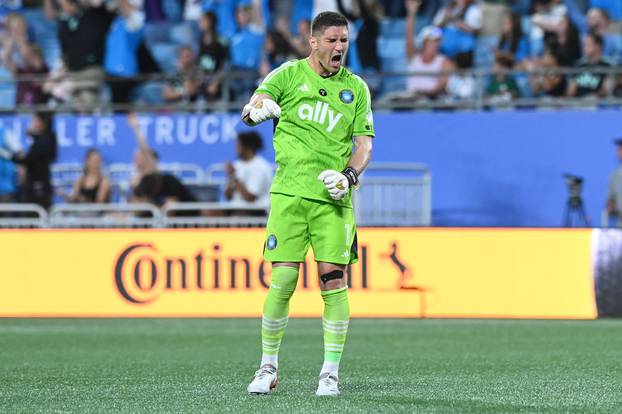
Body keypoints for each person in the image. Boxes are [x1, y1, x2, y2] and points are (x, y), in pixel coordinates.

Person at [242, 11, 374, 396]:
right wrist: (257, 110)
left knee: (333, 280)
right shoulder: (286, 74)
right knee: (282, 279)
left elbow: (364, 144)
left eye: (344, 41)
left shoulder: (357, 88)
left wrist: (348, 178)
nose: (339, 48)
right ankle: (268, 368)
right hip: (289, 193)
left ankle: (329, 373)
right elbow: (255, 106)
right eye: (332, 40)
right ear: (313, 42)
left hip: (333, 199)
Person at [44, 0, 115, 110]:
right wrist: (58, 73)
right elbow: (53, 15)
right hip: (72, 71)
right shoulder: (67, 22)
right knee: (78, 105)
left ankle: (64, 89)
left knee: (82, 100)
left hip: (92, 70)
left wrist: (67, 85)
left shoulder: (98, 15)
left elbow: (97, 4)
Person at [0, 111, 57, 209]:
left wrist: (7, 155)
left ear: (42, 123)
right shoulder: (43, 140)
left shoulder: (43, 142)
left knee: (36, 215)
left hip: (38, 187)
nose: (32, 123)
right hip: (36, 186)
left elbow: (27, 160)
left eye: (35, 120)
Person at [400, 0, 451, 100]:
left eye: (437, 41)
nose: (434, 44)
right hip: (412, 99)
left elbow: (441, 86)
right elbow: (409, 37)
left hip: (431, 100)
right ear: (424, 43)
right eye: (431, 41)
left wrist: (422, 93)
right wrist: (411, 13)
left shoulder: (444, 62)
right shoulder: (414, 58)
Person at [224, 131, 272, 213]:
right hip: (235, 210)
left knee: (239, 216)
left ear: (247, 147)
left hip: (256, 211)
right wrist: (230, 177)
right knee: (209, 212)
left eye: (238, 145)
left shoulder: (261, 166)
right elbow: (228, 196)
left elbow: (250, 198)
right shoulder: (236, 165)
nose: (236, 148)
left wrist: (234, 177)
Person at [566, 32, 611, 98]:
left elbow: (606, 90)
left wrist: (593, 97)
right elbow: (571, 90)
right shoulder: (578, 65)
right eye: (583, 44)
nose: (583, 47)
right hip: (577, 103)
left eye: (587, 44)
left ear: (598, 46)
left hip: (598, 103)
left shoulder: (608, 65)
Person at [198, 11, 228, 102]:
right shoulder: (199, 40)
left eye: (202, 20)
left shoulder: (221, 41)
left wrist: (215, 82)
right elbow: (199, 62)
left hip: (218, 83)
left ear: (209, 22)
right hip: (203, 82)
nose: (200, 23)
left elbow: (225, 64)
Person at [606, 139, 622, 225]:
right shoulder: (615, 175)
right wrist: (610, 204)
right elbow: (610, 199)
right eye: (618, 148)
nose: (618, 151)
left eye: (621, 148)